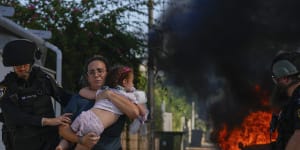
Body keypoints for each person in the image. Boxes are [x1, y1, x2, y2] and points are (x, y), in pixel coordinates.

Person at [0, 39, 72, 150]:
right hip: (20, 143)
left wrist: (89, 102)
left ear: (31, 62)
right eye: (18, 65)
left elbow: (65, 97)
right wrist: (49, 121)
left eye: (25, 64)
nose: (22, 68)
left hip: (47, 142)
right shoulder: (4, 88)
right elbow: (14, 116)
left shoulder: (44, 79)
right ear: (13, 66)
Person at [58, 55, 141, 150]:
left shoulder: (119, 96)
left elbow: (134, 113)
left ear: (107, 74)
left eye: (100, 71)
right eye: (92, 72)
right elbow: (63, 129)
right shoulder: (78, 99)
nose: (96, 75)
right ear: (87, 77)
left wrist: (109, 94)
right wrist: (81, 140)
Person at [270, 51, 300, 150]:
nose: (276, 84)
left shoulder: (298, 100)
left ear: (286, 78)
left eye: (277, 79)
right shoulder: (292, 101)